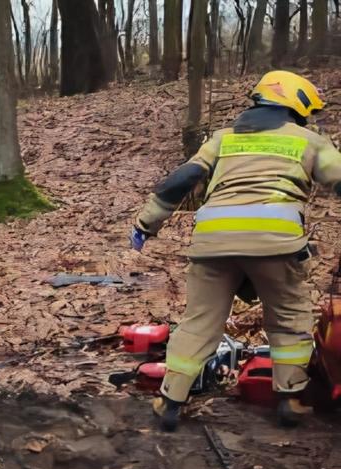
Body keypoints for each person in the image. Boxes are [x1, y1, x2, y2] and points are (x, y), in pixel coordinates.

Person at [132, 70, 336, 430]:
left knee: (198, 323)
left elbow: (181, 179)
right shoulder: (309, 140)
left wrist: (146, 224)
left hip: (213, 242)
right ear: (296, 106)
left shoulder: (222, 139)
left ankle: (169, 402)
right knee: (289, 318)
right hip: (275, 244)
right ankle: (290, 399)